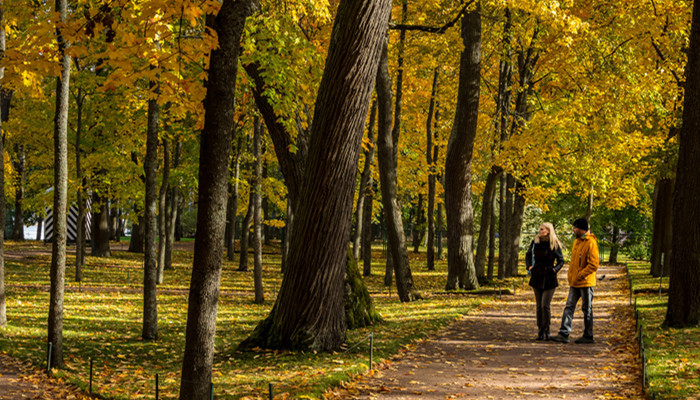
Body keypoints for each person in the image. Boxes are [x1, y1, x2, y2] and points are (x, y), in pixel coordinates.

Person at [550, 218, 599, 344]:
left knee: (586, 309)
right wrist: (572, 276)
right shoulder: (577, 241)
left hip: (586, 282)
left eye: (575, 227)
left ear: (582, 229)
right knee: (569, 307)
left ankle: (588, 335)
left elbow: (594, 264)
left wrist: (581, 274)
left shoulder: (591, 243)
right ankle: (564, 333)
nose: (573, 229)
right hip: (575, 282)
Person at [525, 223, 564, 341]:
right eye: (539, 228)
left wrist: (555, 270)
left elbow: (561, 260)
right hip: (537, 276)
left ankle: (547, 329)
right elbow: (528, 255)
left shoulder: (554, 244)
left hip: (549, 277)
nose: (539, 230)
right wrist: (529, 267)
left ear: (548, 231)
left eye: (542, 229)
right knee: (538, 306)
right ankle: (540, 330)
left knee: (545, 305)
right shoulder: (535, 242)